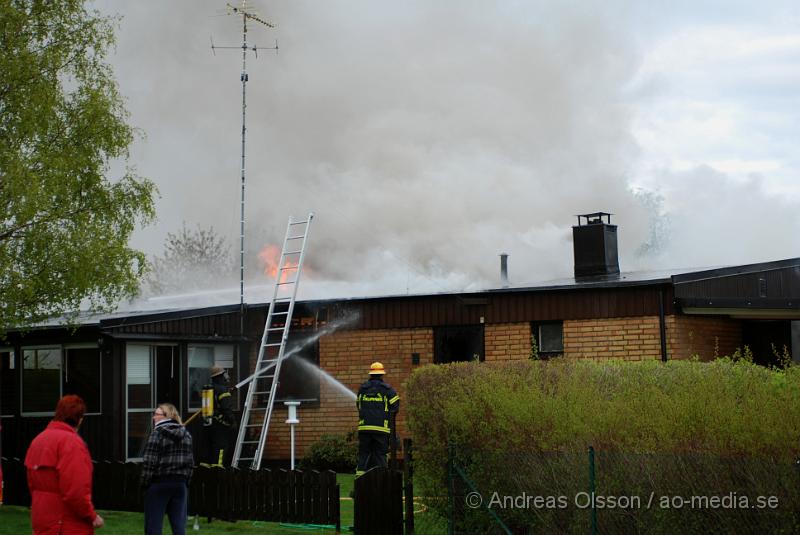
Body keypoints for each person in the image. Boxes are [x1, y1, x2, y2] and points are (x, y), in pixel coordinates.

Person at [25, 395, 104, 534]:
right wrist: (92, 516)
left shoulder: (38, 440)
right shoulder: (72, 443)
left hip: (42, 519)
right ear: (80, 419)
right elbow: (76, 491)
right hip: (66, 523)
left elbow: (32, 483)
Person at [141, 403, 194, 535]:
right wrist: (185, 481)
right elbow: (190, 463)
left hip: (159, 483)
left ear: (166, 416)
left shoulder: (157, 434)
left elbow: (149, 461)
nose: (153, 418)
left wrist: (145, 483)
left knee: (153, 525)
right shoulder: (186, 435)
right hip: (180, 484)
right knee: (179, 526)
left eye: (156, 414)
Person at [355, 362, 400, 478]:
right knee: (380, 455)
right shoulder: (387, 390)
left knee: (363, 455)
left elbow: (358, 405)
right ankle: (383, 482)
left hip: (364, 428)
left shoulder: (362, 389)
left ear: (371, 374)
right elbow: (395, 407)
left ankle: (359, 483)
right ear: (381, 375)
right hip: (381, 429)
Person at [205, 367, 236, 467]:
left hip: (208, 424)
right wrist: (232, 421)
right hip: (220, 425)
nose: (225, 377)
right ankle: (217, 473)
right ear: (219, 377)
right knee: (221, 449)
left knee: (210, 449)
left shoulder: (209, 388)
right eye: (223, 375)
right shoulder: (223, 390)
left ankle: (206, 473)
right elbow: (226, 408)